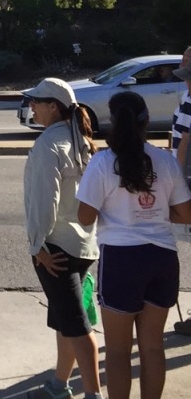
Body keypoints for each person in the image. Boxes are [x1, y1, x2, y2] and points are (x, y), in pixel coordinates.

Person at [76, 90, 191, 399]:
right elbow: (185, 213)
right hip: (162, 258)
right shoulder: (165, 160)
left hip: (121, 261)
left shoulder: (102, 162)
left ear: (113, 122)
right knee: (153, 347)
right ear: (147, 121)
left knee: (116, 351)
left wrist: (119, 208)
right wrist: (151, 210)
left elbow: (85, 216)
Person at [21, 77, 102, 399]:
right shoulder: (79, 138)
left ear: (52, 107)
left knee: (78, 327)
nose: (32, 107)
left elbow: (44, 201)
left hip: (56, 249)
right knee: (64, 320)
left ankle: (93, 394)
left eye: (36, 102)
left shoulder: (49, 145)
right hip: (83, 244)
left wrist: (37, 246)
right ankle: (58, 384)